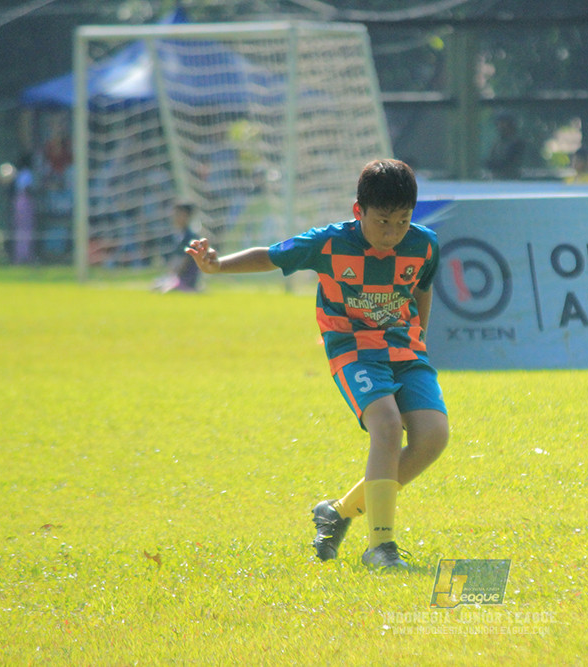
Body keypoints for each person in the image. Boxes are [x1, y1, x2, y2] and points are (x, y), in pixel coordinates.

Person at [185, 159, 449, 569]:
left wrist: (421, 340)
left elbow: (423, 288)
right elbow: (270, 256)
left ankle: (339, 512)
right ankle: (381, 548)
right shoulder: (329, 244)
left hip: (406, 350)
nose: (392, 233)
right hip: (353, 347)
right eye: (382, 221)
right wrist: (218, 266)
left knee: (433, 437)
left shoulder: (425, 244)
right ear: (357, 210)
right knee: (386, 425)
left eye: (402, 221)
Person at [153, 199, 202, 293]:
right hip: (175, 277)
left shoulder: (192, 238)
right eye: (175, 213)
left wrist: (172, 277)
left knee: (167, 290)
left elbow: (184, 263)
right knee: (156, 286)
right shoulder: (173, 237)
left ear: (188, 216)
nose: (175, 217)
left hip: (186, 279)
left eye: (179, 214)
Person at [484, 112, 527, 180]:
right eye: (498, 123)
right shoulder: (497, 143)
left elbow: (506, 163)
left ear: (510, 125)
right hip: (497, 180)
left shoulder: (517, 143)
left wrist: (491, 164)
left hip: (512, 181)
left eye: (503, 123)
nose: (500, 126)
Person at [11, 153, 36, 265]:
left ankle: (19, 256)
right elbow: (27, 188)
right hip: (25, 201)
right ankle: (24, 257)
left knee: (20, 229)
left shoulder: (19, 173)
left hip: (18, 201)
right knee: (26, 229)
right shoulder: (27, 173)